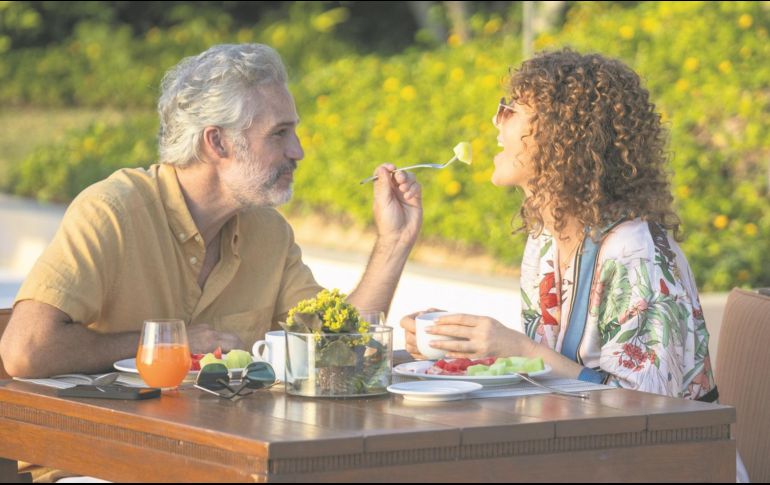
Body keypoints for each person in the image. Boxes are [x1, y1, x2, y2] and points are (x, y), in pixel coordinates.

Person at [0, 43, 422, 378]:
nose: (298, 151)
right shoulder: (112, 211)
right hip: (100, 457)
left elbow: (339, 352)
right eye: (279, 134)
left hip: (226, 453)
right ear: (216, 142)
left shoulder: (269, 233)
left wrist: (394, 242)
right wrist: (172, 343)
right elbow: (26, 350)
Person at [400, 48, 718, 401]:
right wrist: (464, 343)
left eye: (510, 110)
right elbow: (552, 377)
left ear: (562, 134)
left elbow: (646, 405)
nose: (496, 121)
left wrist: (518, 348)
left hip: (666, 454)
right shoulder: (545, 241)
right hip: (578, 444)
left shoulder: (634, 252)